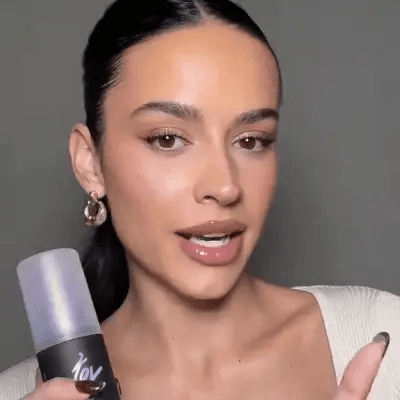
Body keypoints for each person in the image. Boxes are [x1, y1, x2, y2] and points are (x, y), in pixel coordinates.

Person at [1, 0, 399, 399]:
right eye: (167, 139)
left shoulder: (384, 341)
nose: (225, 187)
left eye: (251, 140)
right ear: (90, 163)